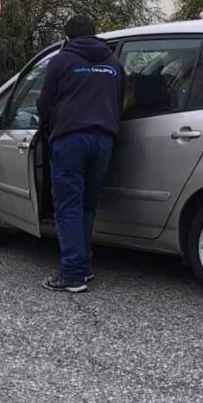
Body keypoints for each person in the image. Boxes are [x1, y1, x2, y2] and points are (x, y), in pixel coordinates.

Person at [36, 15, 125, 293]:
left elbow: (44, 103)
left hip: (70, 138)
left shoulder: (61, 61)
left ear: (67, 37)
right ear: (95, 34)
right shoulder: (113, 64)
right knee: (87, 205)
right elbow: (121, 100)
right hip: (104, 140)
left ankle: (72, 273)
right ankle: (83, 265)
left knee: (68, 206)